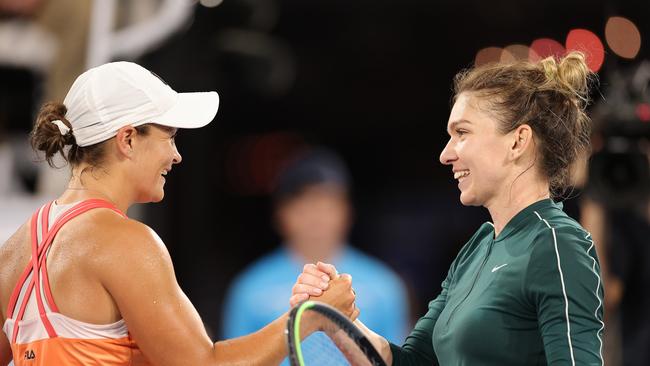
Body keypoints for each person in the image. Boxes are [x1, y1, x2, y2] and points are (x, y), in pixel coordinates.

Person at [0, 61, 356, 366]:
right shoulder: (125, 242)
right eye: (169, 135)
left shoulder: (15, 250)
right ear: (127, 139)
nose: (176, 155)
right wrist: (312, 315)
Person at [291, 51, 605, 365]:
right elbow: (414, 361)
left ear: (518, 141)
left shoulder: (557, 244)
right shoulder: (478, 247)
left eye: (462, 133)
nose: (445, 154)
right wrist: (334, 320)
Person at [222, 148, 409, 345]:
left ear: (347, 211)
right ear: (280, 214)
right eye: (304, 203)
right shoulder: (249, 288)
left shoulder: (385, 286)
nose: (316, 216)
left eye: (327, 203)